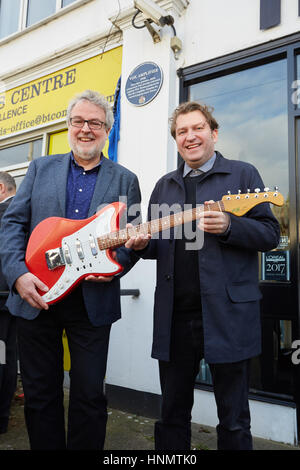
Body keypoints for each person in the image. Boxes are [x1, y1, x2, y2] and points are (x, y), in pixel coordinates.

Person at [127, 101, 280, 450]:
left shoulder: (243, 175)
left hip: (227, 315)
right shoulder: (165, 186)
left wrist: (230, 225)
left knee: (234, 419)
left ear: (213, 133)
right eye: (182, 131)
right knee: (172, 415)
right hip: (175, 319)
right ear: (176, 140)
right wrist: (138, 246)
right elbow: (156, 247)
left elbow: (270, 235)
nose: (190, 136)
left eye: (197, 128)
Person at [0, 90, 141, 450]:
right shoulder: (39, 168)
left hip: (91, 303)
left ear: (107, 129)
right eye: (79, 121)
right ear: (68, 127)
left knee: (90, 396)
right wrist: (17, 274)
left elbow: (134, 240)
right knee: (40, 395)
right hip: (36, 297)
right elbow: (12, 225)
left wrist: (119, 264)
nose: (86, 129)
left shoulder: (125, 179)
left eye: (95, 122)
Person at [0, 172, 17, 434]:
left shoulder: (4, 214)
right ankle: (3, 415)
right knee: (8, 356)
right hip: (15, 298)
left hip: (0, 298)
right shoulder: (27, 211)